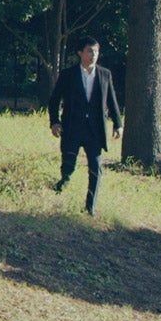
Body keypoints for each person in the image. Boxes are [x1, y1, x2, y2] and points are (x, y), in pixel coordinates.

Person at [48, 36, 122, 216]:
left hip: (95, 130)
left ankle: (90, 208)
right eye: (90, 51)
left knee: (96, 169)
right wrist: (55, 122)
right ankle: (63, 182)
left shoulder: (105, 74)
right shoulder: (68, 74)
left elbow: (111, 101)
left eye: (96, 51)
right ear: (80, 53)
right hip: (72, 127)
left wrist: (118, 124)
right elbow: (54, 100)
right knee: (69, 164)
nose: (93, 55)